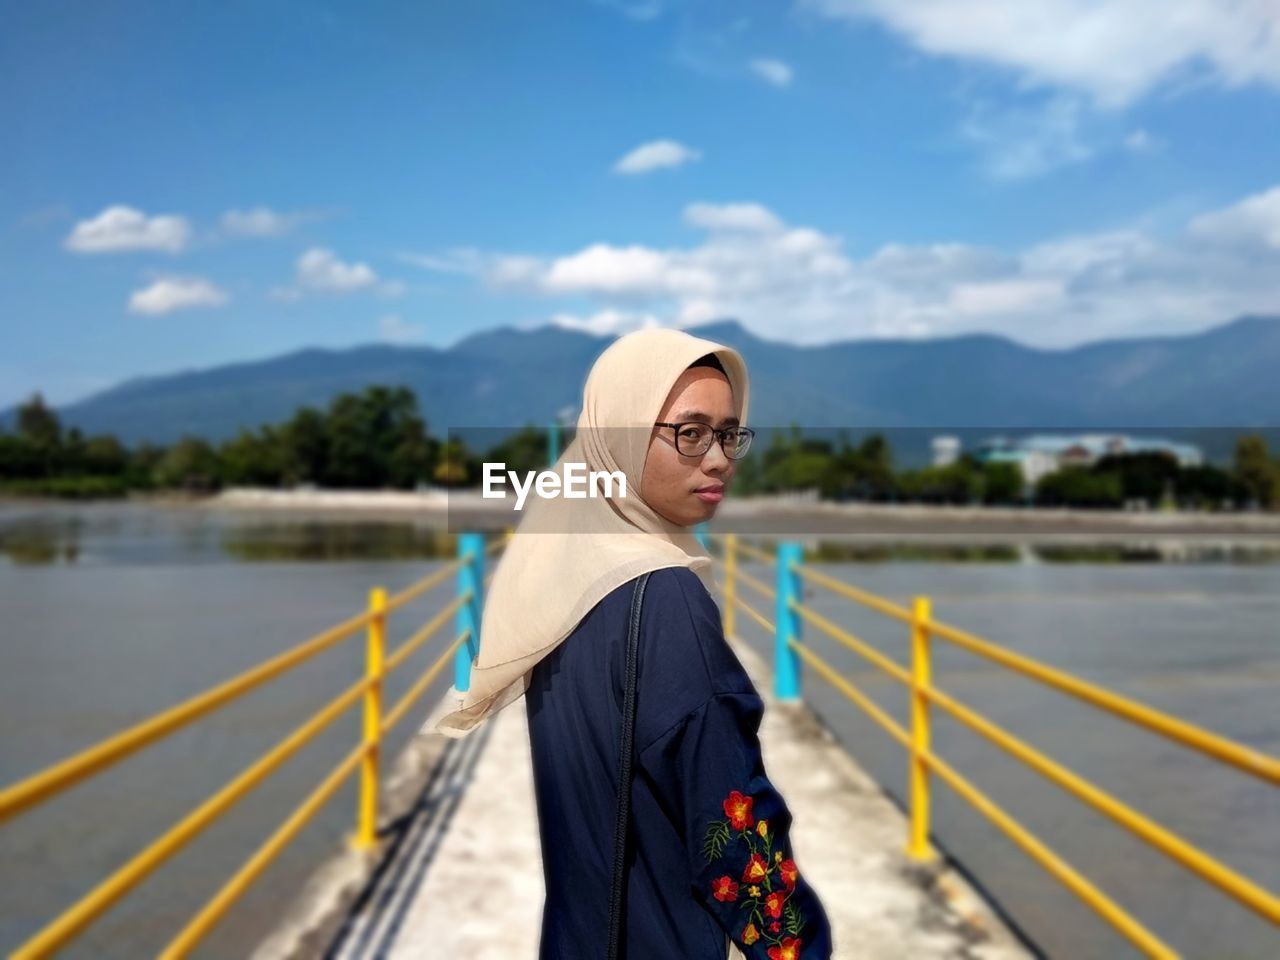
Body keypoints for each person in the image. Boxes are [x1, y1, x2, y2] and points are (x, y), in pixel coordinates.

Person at [425, 327, 834, 959]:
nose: (720, 457)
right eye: (689, 432)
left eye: (729, 434)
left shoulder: (568, 580)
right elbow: (731, 831)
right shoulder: (666, 600)